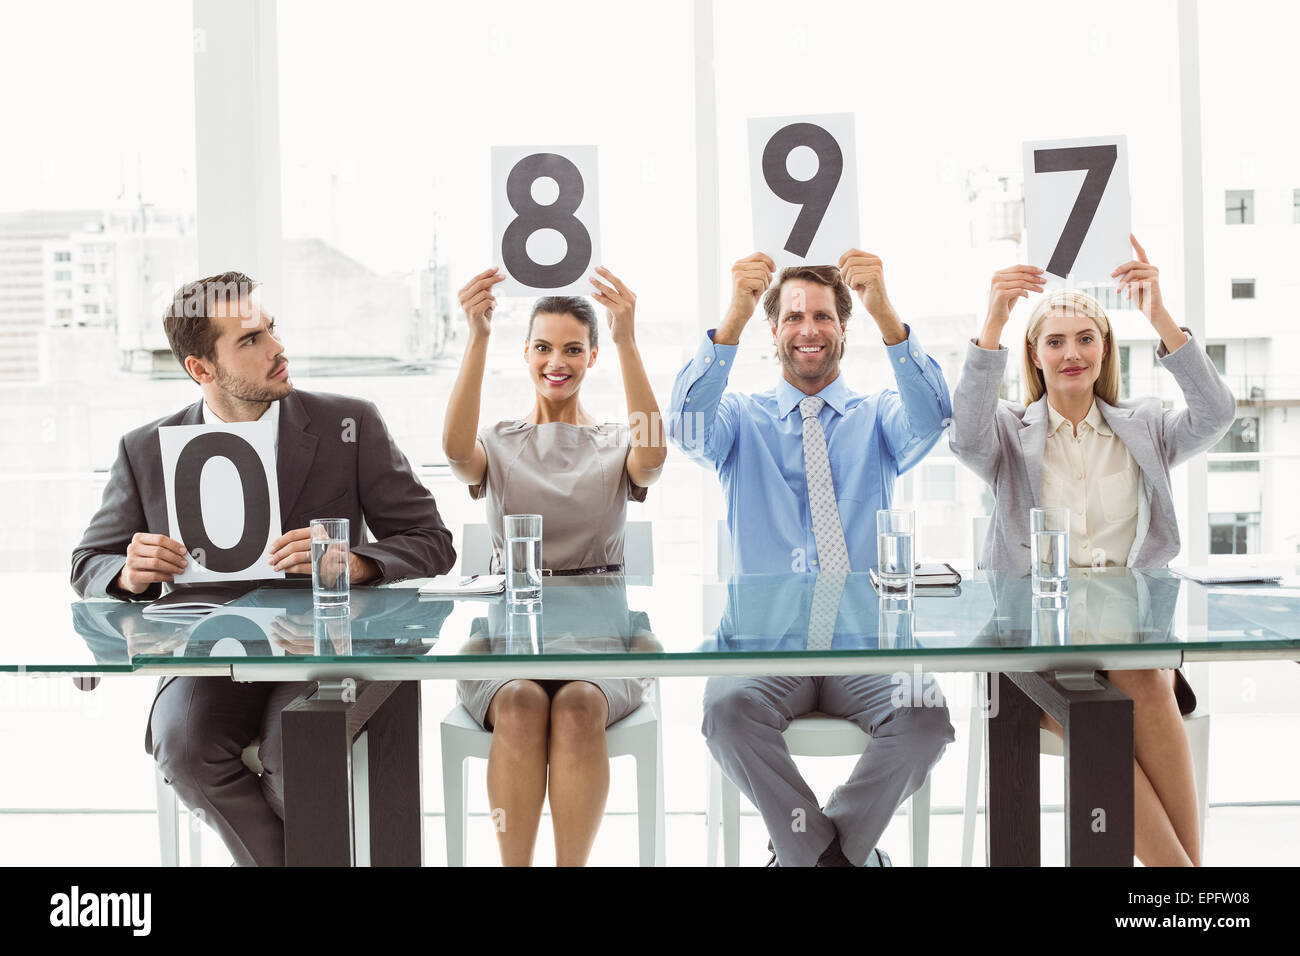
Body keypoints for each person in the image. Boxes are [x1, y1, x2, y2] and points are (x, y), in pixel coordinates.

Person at [70, 272, 456, 866]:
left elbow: (432, 541)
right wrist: (127, 571)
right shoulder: (145, 448)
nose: (277, 348)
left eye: (270, 328)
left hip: (322, 646)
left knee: (294, 751)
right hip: (207, 651)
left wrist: (356, 563)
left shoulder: (348, 425)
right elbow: (88, 561)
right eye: (250, 340)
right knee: (185, 748)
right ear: (201, 369)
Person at [948, 235, 1236, 866]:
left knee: (1146, 676)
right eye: (1055, 340)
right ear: (1036, 354)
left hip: (1127, 632)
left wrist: (1159, 313)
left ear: (1104, 348)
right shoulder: (1008, 434)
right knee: (1106, 715)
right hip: (1034, 646)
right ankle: (1191, 890)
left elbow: (1216, 414)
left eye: (1085, 338)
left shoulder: (1148, 428)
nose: (1071, 352)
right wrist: (993, 322)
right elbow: (963, 435)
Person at [668, 250, 956, 867]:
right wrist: (732, 319)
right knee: (725, 711)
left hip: (867, 644)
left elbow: (934, 417)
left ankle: (813, 857)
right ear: (774, 331)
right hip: (766, 646)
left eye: (823, 316)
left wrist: (886, 312)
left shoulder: (878, 417)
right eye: (793, 316)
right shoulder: (740, 421)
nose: (808, 329)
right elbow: (687, 428)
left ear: (843, 330)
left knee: (926, 716)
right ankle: (842, 859)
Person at [442, 265, 666, 866]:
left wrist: (627, 339)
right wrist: (477, 334)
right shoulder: (500, 440)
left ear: (591, 356)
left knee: (575, 706)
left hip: (602, 638)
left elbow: (655, 455)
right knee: (519, 703)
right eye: (543, 347)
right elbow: (454, 452)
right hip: (505, 638)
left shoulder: (618, 440)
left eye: (573, 348)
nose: (556, 361)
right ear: (526, 353)